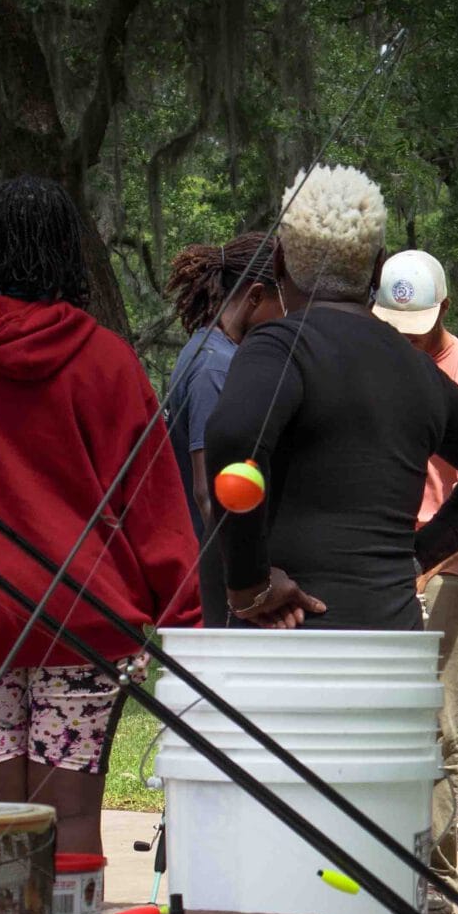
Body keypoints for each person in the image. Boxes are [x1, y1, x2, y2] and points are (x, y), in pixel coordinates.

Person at [0, 177, 201, 857]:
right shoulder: (107, 360)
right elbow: (151, 500)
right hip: (84, 617)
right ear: (71, 250)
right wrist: (187, 613)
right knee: (70, 817)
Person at [202, 166, 458, 634]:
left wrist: (247, 581)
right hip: (390, 629)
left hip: (285, 637)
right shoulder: (417, 367)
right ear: (379, 268)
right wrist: (416, 556)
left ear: (278, 261)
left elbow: (233, 436)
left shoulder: (276, 347)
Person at [375, 249, 458, 914]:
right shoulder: (371, 360)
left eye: (417, 328)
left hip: (444, 566)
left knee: (437, 724)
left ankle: (436, 876)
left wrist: (427, 561)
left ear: (446, 310)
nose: (405, 339)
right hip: (376, 558)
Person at [163, 233, 283, 626]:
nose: (288, 321)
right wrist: (249, 581)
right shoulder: (215, 367)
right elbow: (208, 492)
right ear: (255, 296)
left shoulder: (210, 351)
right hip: (225, 586)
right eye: (283, 306)